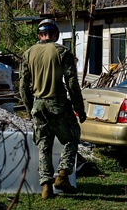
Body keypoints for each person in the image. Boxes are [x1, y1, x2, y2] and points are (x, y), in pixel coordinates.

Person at [18, 19, 85, 199]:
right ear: (55, 35)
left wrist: (30, 108)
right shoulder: (62, 52)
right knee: (71, 138)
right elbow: (72, 83)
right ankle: (63, 176)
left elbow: (23, 86)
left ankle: (46, 186)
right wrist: (80, 108)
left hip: (38, 105)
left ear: (39, 35)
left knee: (44, 145)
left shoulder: (28, 53)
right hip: (58, 104)